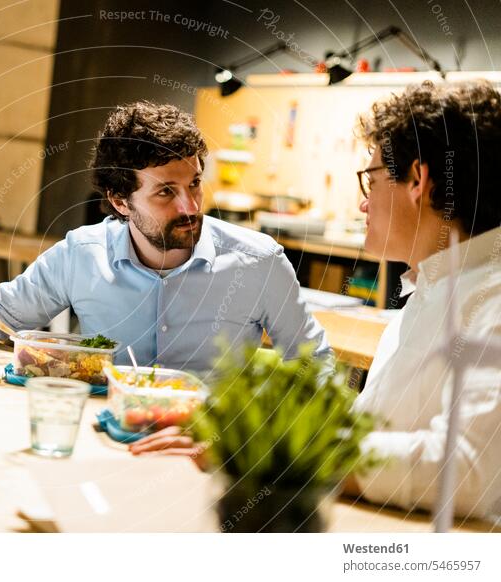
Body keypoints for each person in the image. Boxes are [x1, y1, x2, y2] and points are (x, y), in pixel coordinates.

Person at [134, 80, 501, 521]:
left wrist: (279, 453)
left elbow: (468, 469)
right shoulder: (434, 286)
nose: (363, 205)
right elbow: (375, 431)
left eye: (371, 179)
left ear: (417, 181)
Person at [0, 101, 331, 372]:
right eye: (166, 192)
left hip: (211, 454)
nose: (189, 206)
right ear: (121, 201)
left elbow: (318, 368)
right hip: (98, 440)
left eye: (193, 184)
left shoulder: (259, 262)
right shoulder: (81, 255)